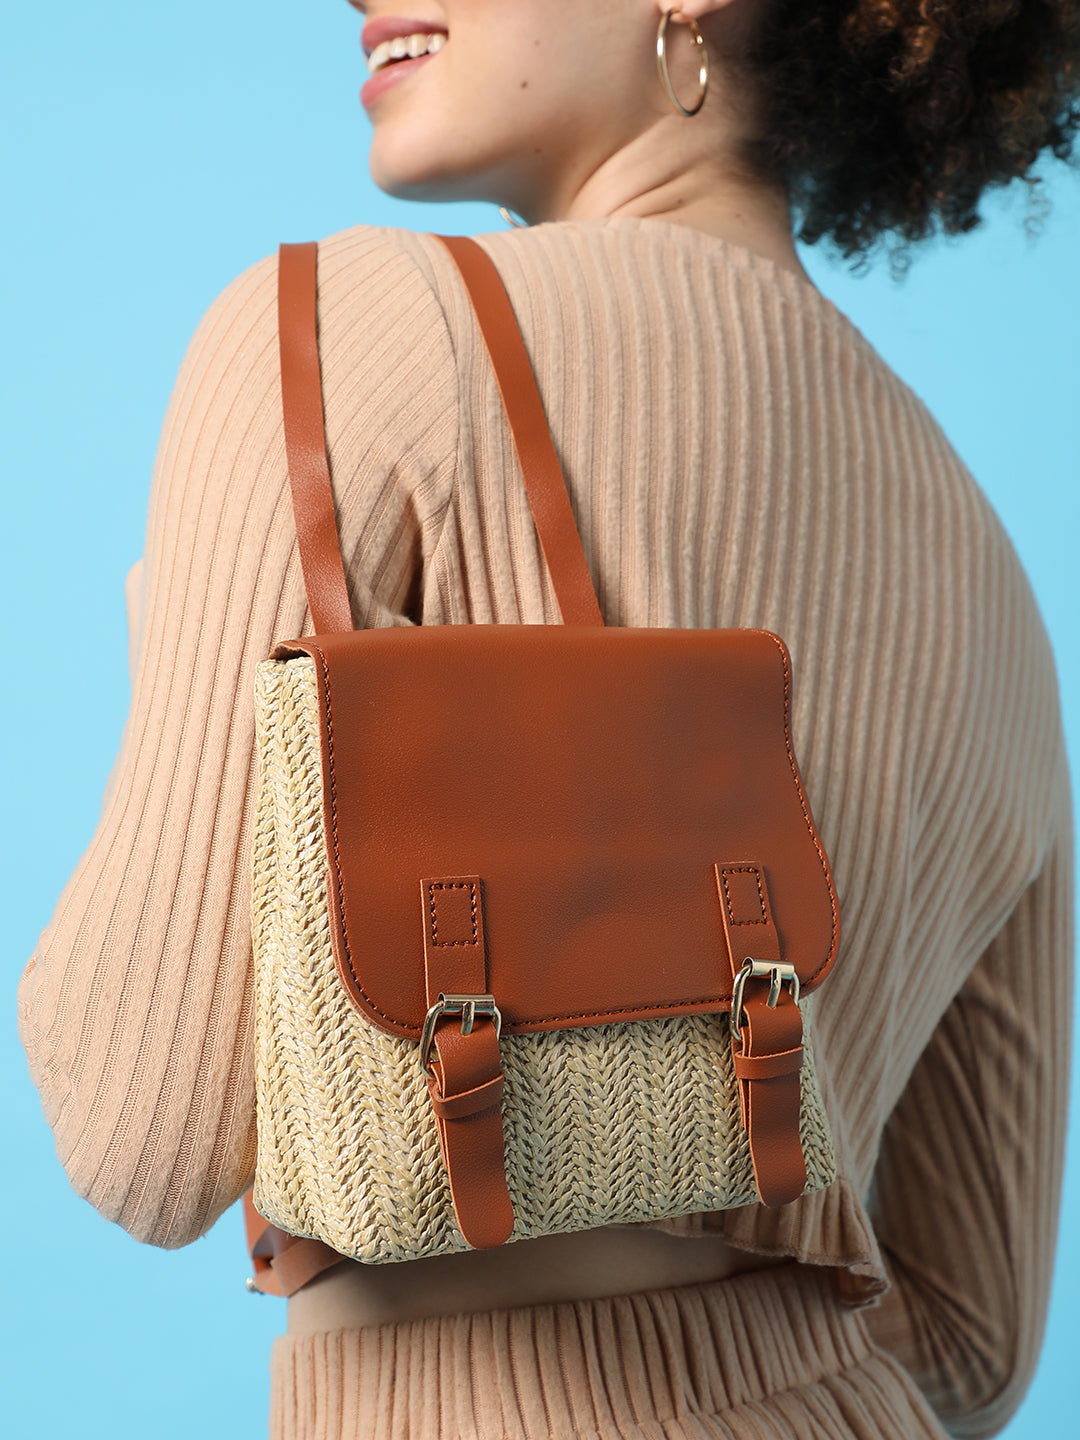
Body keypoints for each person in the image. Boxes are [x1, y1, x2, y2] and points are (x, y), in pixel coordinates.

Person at [17, 1, 1076, 1437]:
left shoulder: (345, 336)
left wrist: (187, 630)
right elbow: (971, 1344)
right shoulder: (989, 557)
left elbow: (142, 1141)